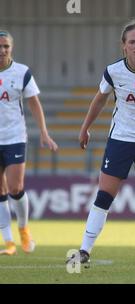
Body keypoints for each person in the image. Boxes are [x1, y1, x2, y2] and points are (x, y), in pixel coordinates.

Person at [66, 20, 135, 266]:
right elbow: (99, 100)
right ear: (123, 47)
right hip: (121, 139)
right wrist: (85, 128)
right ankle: (84, 250)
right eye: (132, 42)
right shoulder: (113, 71)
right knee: (104, 196)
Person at [0, 30, 58, 255]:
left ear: (11, 48)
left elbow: (34, 103)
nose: (2, 50)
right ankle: (8, 242)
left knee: (16, 187)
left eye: (6, 46)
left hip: (14, 137)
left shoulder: (21, 72)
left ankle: (23, 229)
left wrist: (44, 133)